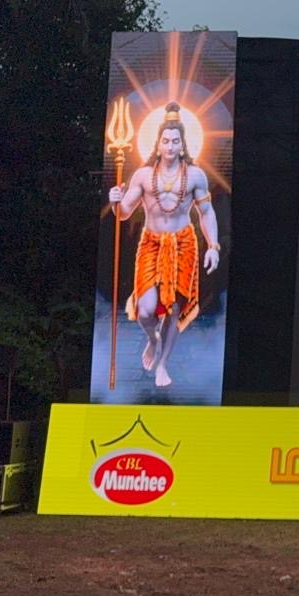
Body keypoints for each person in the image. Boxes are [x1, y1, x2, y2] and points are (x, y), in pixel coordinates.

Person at [108, 102, 220, 387]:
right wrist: (114, 202)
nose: (170, 146)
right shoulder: (143, 176)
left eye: (175, 141)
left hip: (183, 243)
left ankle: (163, 363)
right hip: (151, 244)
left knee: (173, 308)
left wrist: (213, 246)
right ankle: (151, 338)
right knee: (146, 309)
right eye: (165, 141)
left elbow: (206, 212)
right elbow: (124, 214)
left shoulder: (195, 175)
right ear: (157, 145)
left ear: (183, 145)